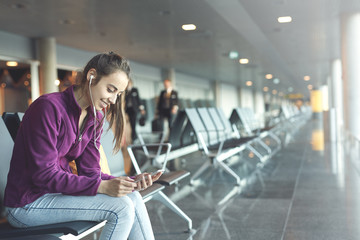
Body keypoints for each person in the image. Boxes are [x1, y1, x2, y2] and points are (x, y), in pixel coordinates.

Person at [4, 52, 162, 240]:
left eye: (118, 94)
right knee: (121, 208)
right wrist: (102, 187)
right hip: (27, 204)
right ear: (91, 76)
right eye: (110, 89)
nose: (113, 100)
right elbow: (43, 176)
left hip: (58, 196)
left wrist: (130, 182)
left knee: (133, 198)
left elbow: (91, 173)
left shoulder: (94, 118)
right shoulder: (48, 108)